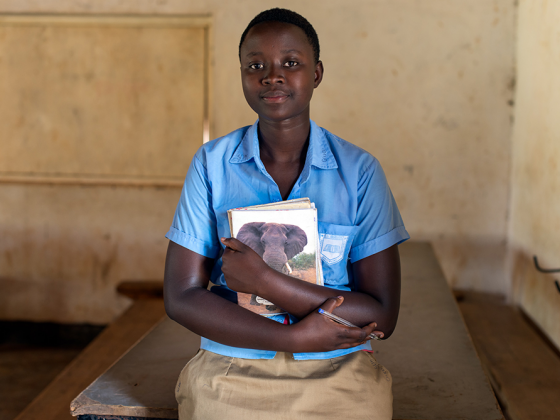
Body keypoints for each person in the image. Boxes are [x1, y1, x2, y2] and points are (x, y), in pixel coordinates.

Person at [164, 8, 409, 420]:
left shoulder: (360, 172)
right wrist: (294, 337)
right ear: (241, 74)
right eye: (255, 65)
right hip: (232, 365)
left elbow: (382, 313)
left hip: (339, 364)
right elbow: (180, 297)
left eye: (290, 64)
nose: (271, 76)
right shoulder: (211, 164)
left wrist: (264, 281)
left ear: (316, 73)